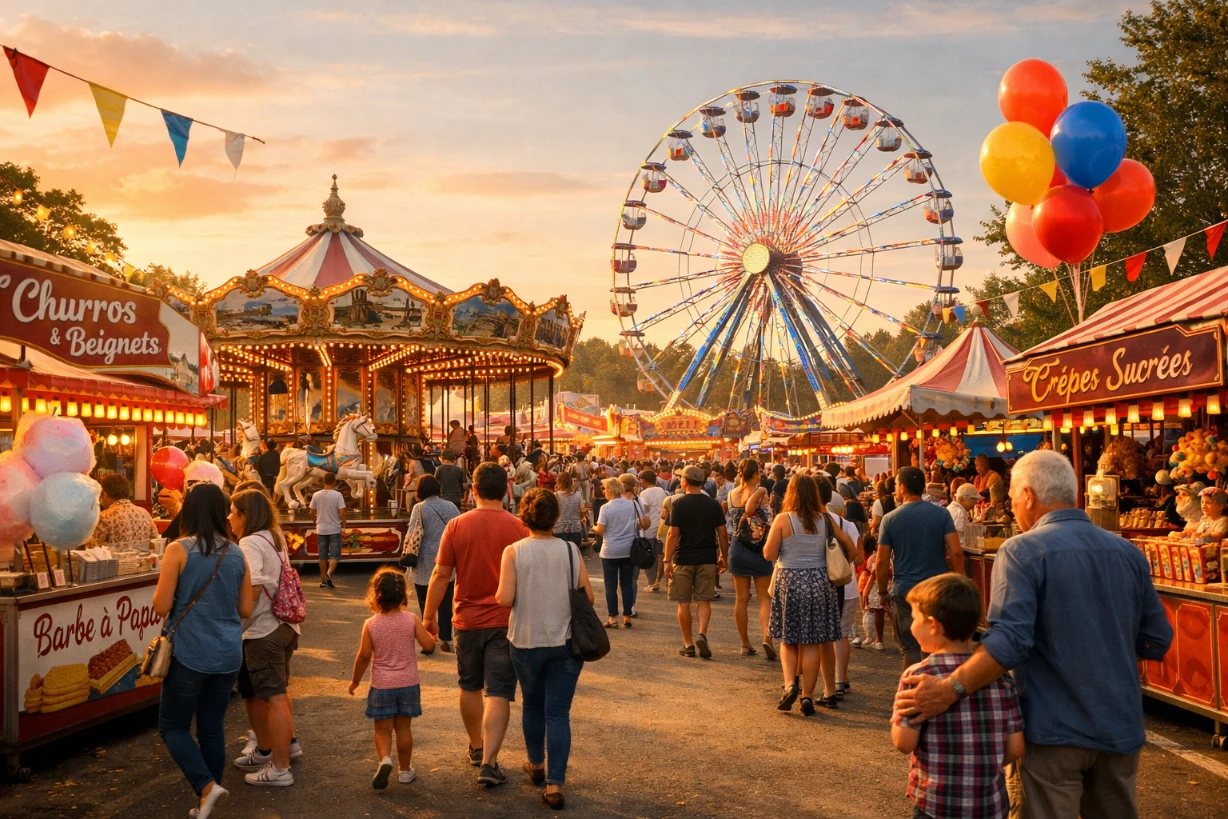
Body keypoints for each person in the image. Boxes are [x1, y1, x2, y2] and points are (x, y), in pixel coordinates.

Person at [894, 451, 1173, 819]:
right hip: (1119, 724)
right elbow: (1157, 639)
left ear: (1027, 495)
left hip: (1052, 729)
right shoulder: (1127, 552)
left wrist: (950, 689)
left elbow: (1010, 641)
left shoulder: (1022, 550)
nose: (1011, 507)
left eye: (1012, 498)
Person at [423, 462, 529, 787]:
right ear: (504, 490)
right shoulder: (519, 527)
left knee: (469, 685)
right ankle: (489, 762)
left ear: (473, 490)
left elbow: (441, 574)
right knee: (498, 691)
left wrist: (428, 616)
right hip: (505, 620)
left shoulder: (457, 525)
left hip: (466, 619)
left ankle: (476, 746)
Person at [152, 483, 252, 819]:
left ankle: (207, 787)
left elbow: (162, 605)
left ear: (189, 511)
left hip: (189, 653)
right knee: (211, 727)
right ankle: (206, 803)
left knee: (172, 726)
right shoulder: (237, 552)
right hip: (227, 653)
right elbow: (246, 608)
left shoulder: (178, 550)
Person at [891, 573, 1024, 819]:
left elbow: (904, 743)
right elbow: (1015, 748)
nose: (911, 626)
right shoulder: (1001, 679)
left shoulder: (918, 676)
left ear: (933, 625)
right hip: (989, 805)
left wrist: (896, 718)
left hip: (936, 803)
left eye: (914, 618)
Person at [496, 488, 594, 810]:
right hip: (565, 642)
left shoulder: (513, 551)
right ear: (555, 517)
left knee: (532, 705)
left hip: (526, 641)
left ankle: (536, 764)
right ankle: (555, 785)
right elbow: (589, 598)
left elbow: (504, 598)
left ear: (524, 517)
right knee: (558, 713)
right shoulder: (570, 550)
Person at [227, 489, 303, 786]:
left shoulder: (249, 542)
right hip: (285, 625)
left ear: (246, 515)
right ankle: (279, 749)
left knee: (273, 697)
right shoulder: (275, 536)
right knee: (278, 693)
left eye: (233, 512)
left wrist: (235, 618)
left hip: (264, 628)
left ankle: (279, 769)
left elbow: (255, 587)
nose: (229, 517)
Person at [763, 473, 856, 714]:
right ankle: (807, 696)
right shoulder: (825, 519)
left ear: (790, 494)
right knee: (813, 642)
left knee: (789, 640)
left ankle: (790, 684)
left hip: (790, 581)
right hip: (819, 582)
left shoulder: (783, 519)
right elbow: (851, 548)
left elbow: (769, 554)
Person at [349, 567, 435, 789]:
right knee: (404, 728)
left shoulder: (371, 624)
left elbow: (364, 657)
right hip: (408, 684)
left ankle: (385, 759)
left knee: (382, 730)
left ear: (376, 595)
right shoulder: (411, 619)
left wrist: (355, 681)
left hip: (382, 686)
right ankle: (405, 771)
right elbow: (428, 645)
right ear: (403, 595)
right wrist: (431, 636)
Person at [877, 466, 964, 667]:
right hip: (937, 590)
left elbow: (881, 561)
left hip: (905, 590)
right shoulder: (942, 515)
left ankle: (912, 684)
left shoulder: (890, 519)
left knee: (910, 648)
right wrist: (959, 583)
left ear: (903, 487)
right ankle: (936, 683)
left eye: (896, 484)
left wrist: (882, 592)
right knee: (936, 644)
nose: (895, 488)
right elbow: (956, 553)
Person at [664, 465, 728, 659]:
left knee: (683, 602)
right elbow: (723, 534)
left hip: (683, 558)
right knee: (703, 600)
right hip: (707, 559)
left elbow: (672, 534)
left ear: (684, 481)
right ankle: (702, 634)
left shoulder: (678, 504)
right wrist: (723, 556)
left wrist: (667, 560)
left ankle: (688, 644)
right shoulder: (713, 504)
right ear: (702, 483)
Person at [726, 459, 776, 659]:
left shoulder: (731, 494)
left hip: (737, 547)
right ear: (756, 473)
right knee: (764, 598)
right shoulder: (761, 491)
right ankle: (767, 638)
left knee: (741, 598)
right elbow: (749, 509)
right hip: (759, 548)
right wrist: (761, 491)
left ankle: (745, 643)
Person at [408, 476, 461, 653]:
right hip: (446, 559)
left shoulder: (419, 508)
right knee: (446, 600)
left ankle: (429, 638)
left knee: (425, 601)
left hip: (424, 559)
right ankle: (446, 638)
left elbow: (412, 533)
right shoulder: (451, 506)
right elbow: (458, 529)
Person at [591, 477, 648, 629]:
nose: (603, 491)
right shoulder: (632, 504)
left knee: (610, 585)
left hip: (610, 550)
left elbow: (601, 529)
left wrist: (593, 527)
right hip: (628, 549)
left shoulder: (606, 508)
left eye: (604, 489)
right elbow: (641, 523)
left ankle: (612, 618)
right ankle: (627, 615)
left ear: (610, 490)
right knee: (627, 584)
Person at [92, 474, 160, 548]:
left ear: (105, 494)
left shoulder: (105, 517)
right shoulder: (144, 514)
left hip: (114, 556)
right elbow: (156, 542)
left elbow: (93, 547)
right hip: (143, 555)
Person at [310, 473, 348, 589]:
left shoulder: (316, 495)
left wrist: (315, 521)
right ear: (334, 481)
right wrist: (344, 525)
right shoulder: (338, 495)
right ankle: (329, 573)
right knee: (334, 555)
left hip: (321, 529)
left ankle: (322, 580)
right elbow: (342, 512)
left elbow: (311, 512)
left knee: (322, 556)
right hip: (334, 528)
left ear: (323, 480)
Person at [637, 469, 668, 593]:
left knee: (649, 557)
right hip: (661, 528)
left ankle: (652, 583)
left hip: (649, 529)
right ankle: (661, 581)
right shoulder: (662, 491)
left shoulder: (643, 494)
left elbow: (642, 512)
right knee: (661, 556)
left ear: (644, 481)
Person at [859, 533, 888, 651]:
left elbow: (873, 574)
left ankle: (875, 639)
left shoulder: (873, 558)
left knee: (875, 611)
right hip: (891, 584)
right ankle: (880, 639)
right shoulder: (891, 554)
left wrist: (866, 590)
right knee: (889, 613)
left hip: (878, 587)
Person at [552, 471, 585, 553]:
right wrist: (579, 519)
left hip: (559, 529)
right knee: (574, 554)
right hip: (575, 529)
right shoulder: (577, 494)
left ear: (558, 482)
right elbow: (583, 510)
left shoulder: (555, 495)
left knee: (561, 555)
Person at [948, 482, 979, 548]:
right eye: (973, 499)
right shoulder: (959, 512)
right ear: (961, 499)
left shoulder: (954, 509)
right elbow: (959, 540)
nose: (976, 502)